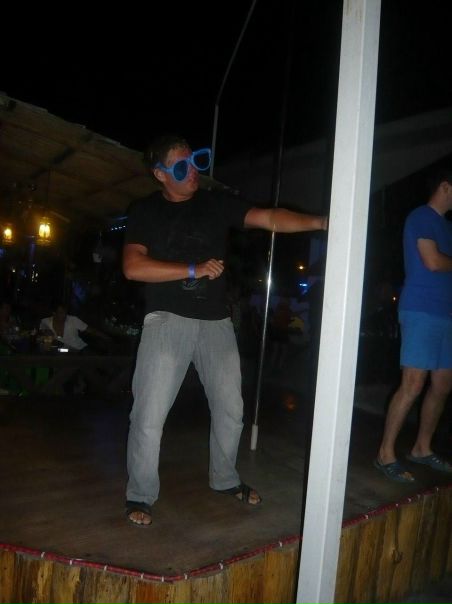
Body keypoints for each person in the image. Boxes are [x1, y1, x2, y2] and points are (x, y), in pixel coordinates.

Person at [122, 134, 328, 526]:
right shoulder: (146, 211)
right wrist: (193, 269)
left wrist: (321, 222)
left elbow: (269, 218)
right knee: (148, 414)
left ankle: (225, 478)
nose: (193, 171)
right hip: (166, 321)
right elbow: (133, 267)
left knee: (232, 409)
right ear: (160, 174)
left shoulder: (214, 203)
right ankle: (140, 494)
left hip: (216, 323)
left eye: (196, 160)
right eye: (182, 166)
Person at [375, 169, 452, 483]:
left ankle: (422, 447)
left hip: (447, 313)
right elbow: (432, 261)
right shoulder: (421, 216)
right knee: (413, 383)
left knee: (443, 384)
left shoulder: (448, 227)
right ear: (445, 186)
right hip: (420, 309)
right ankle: (385, 454)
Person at [39, 303, 109, 353]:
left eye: (65, 312)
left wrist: (107, 338)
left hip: (79, 350)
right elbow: (44, 336)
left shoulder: (73, 320)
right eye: (61, 313)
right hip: (62, 351)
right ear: (54, 313)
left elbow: (91, 330)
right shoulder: (45, 321)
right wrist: (46, 338)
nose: (64, 315)